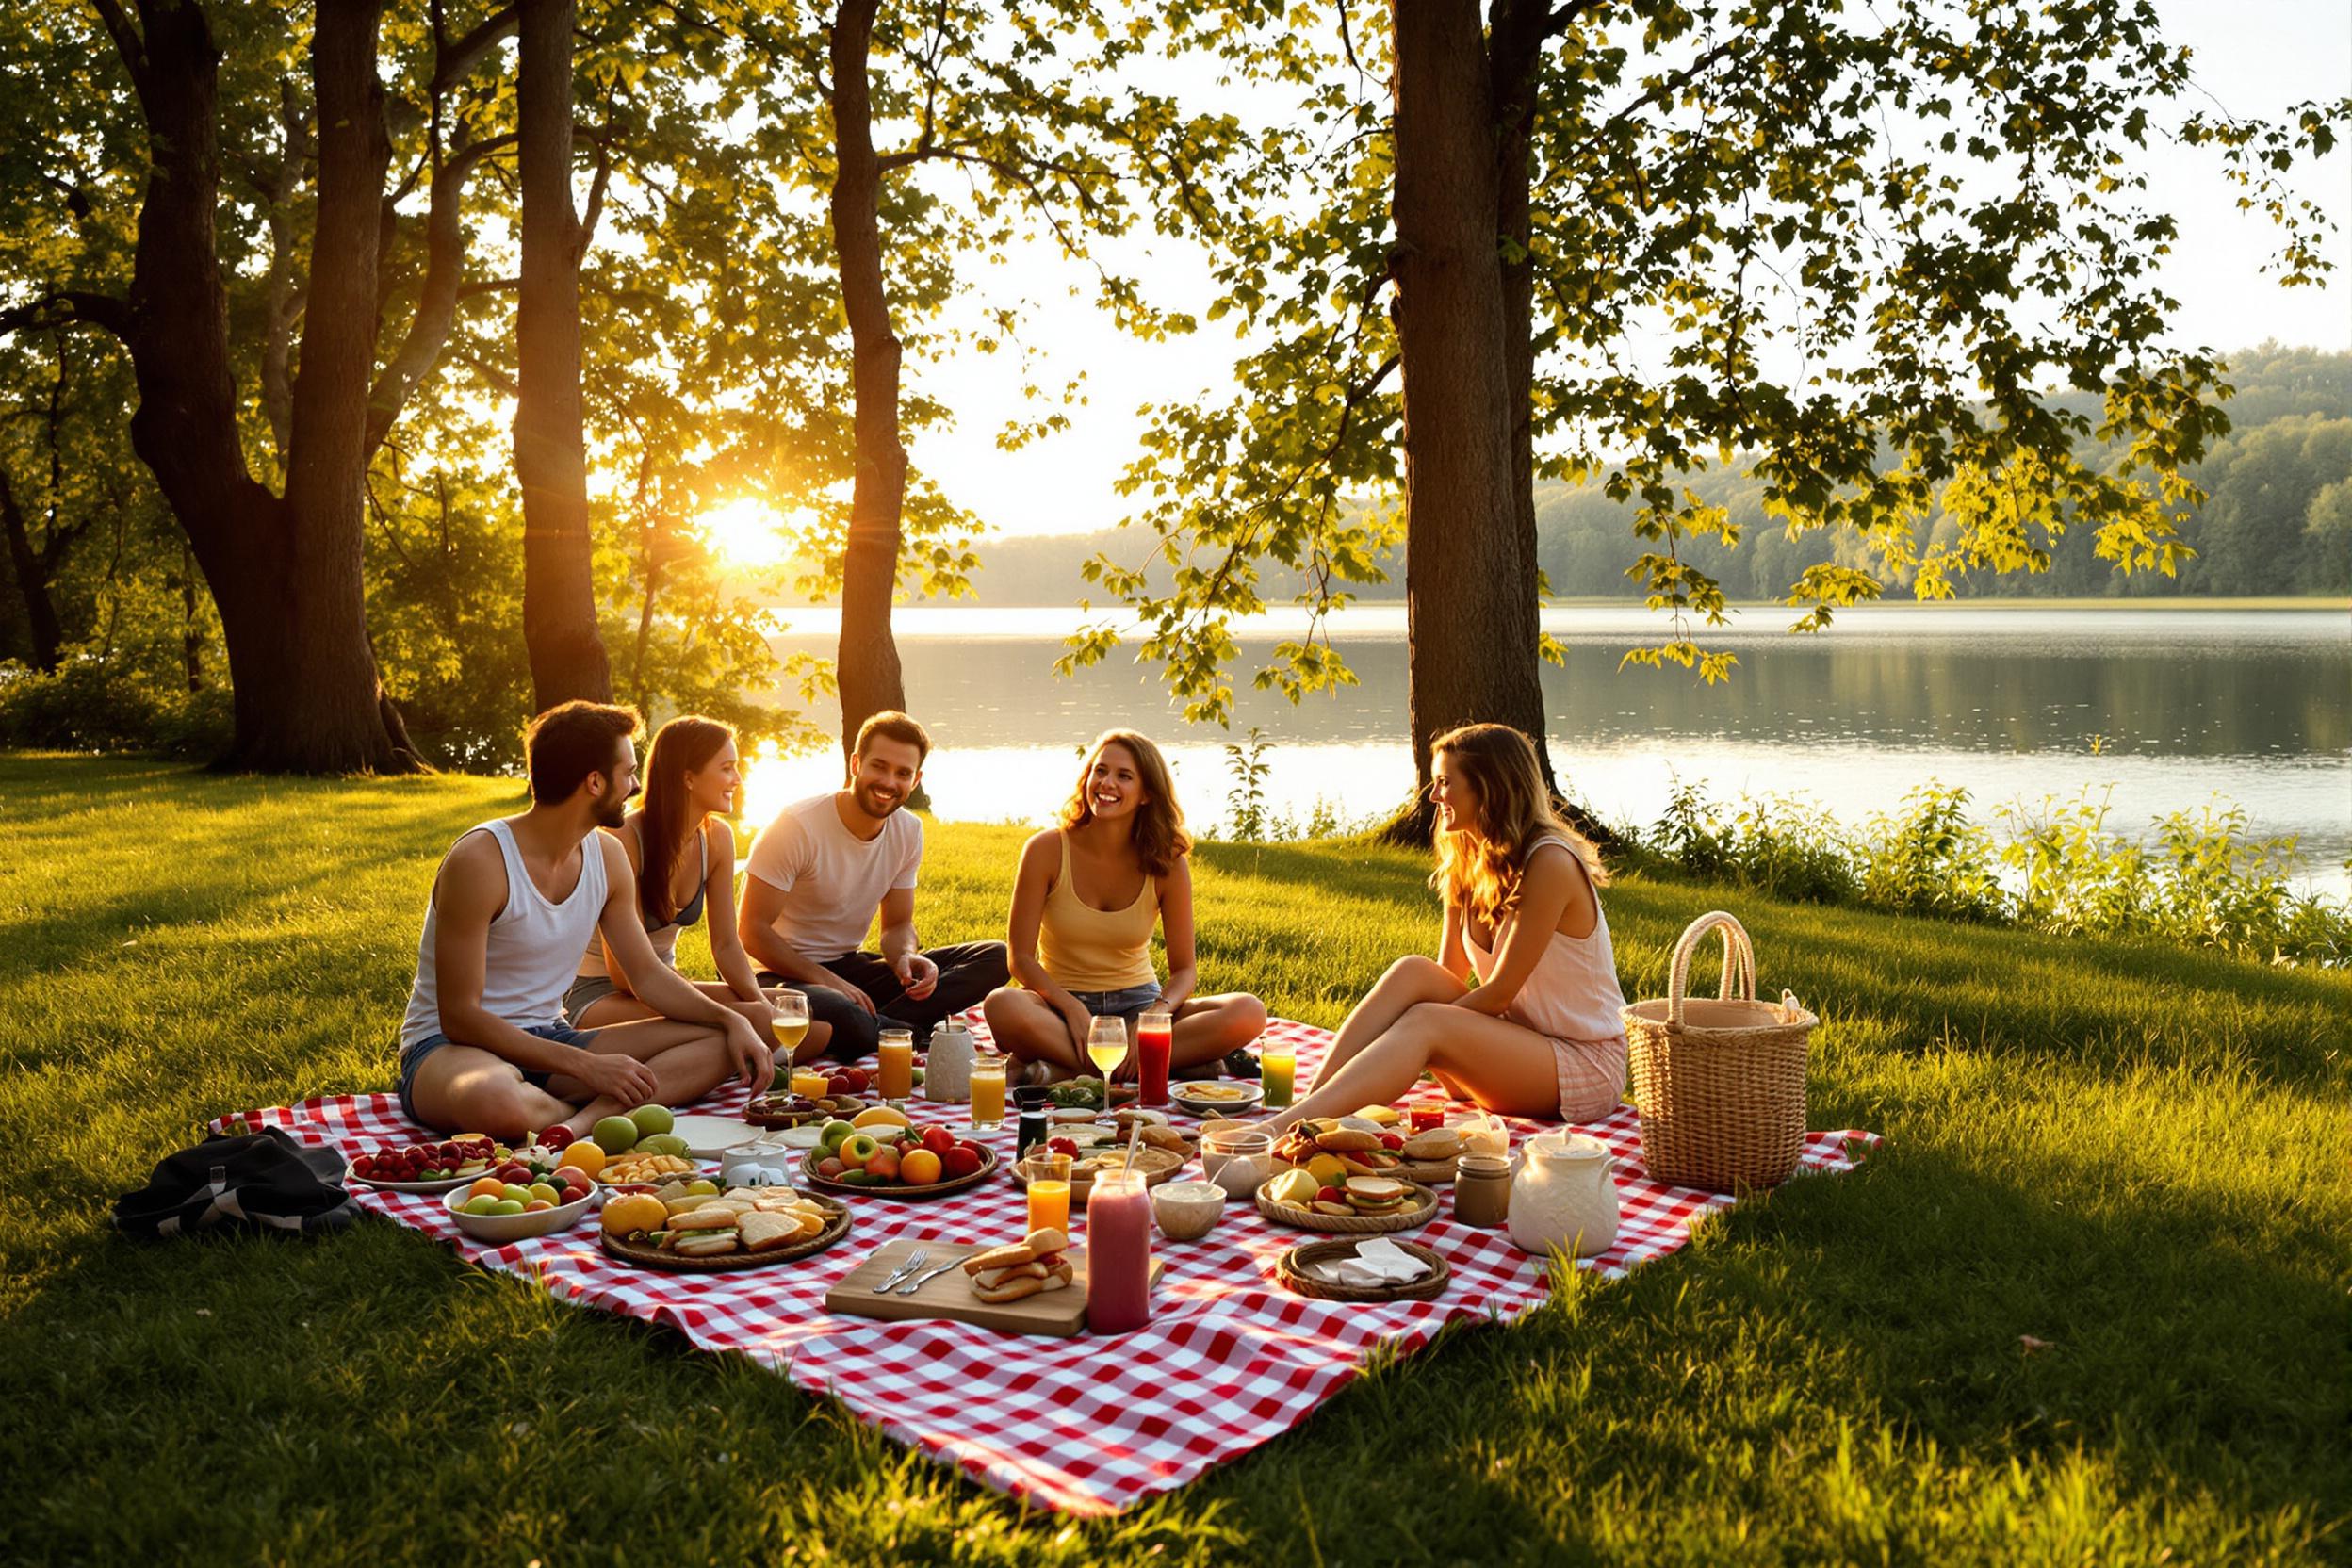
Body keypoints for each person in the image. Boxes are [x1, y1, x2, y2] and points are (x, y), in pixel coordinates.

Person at [397, 702, 775, 1140]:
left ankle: (577, 1124)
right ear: (594, 782)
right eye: (629, 773)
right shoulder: (481, 860)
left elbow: (647, 975)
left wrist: (731, 1020)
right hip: (451, 1049)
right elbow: (460, 1016)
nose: (636, 786)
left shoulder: (606, 856)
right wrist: (586, 1066)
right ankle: (591, 1109)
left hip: (551, 1037)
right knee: (497, 1102)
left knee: (737, 1034)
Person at [1260, 723, 1625, 1130]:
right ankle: (1312, 1109)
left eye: (1445, 782)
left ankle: (1276, 1132)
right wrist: (1409, 1041)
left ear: (1489, 788)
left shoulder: (1550, 862)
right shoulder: (1467, 860)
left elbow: (1499, 993)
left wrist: (1412, 1034)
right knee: (1414, 972)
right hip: (1512, 1047)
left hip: (1582, 1067)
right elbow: (1446, 977)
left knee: (1425, 1020)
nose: (1433, 796)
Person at [982, 728, 1266, 1080]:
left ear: (1147, 794)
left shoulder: (1167, 862)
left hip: (1139, 1004)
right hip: (1059, 1004)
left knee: (1248, 1012)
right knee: (1002, 1005)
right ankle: (1164, 1065)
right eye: (1100, 771)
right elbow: (1020, 959)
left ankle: (1066, 1069)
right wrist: (1070, 1008)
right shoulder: (1046, 849)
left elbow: (1184, 971)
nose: (1107, 783)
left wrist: (1157, 1014)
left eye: (1124, 776)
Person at [736, 710, 1008, 1059]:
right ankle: (898, 1029)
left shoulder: (908, 831)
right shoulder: (796, 826)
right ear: (855, 763)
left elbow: (896, 926)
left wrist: (906, 958)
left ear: (916, 778)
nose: (889, 782)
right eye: (879, 766)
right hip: (777, 976)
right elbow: (752, 932)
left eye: (903, 773)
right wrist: (825, 980)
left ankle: (877, 1027)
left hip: (849, 968)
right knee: (835, 1007)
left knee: (997, 957)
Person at [564, 715, 830, 1062]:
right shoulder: (624, 840)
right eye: (727, 768)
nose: (738, 779)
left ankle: (732, 1060)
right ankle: (724, 1061)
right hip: (602, 994)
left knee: (807, 1026)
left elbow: (726, 944)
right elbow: (625, 977)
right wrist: (733, 1010)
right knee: (754, 1025)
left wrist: (759, 1000)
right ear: (688, 777)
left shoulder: (716, 839)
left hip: (666, 986)